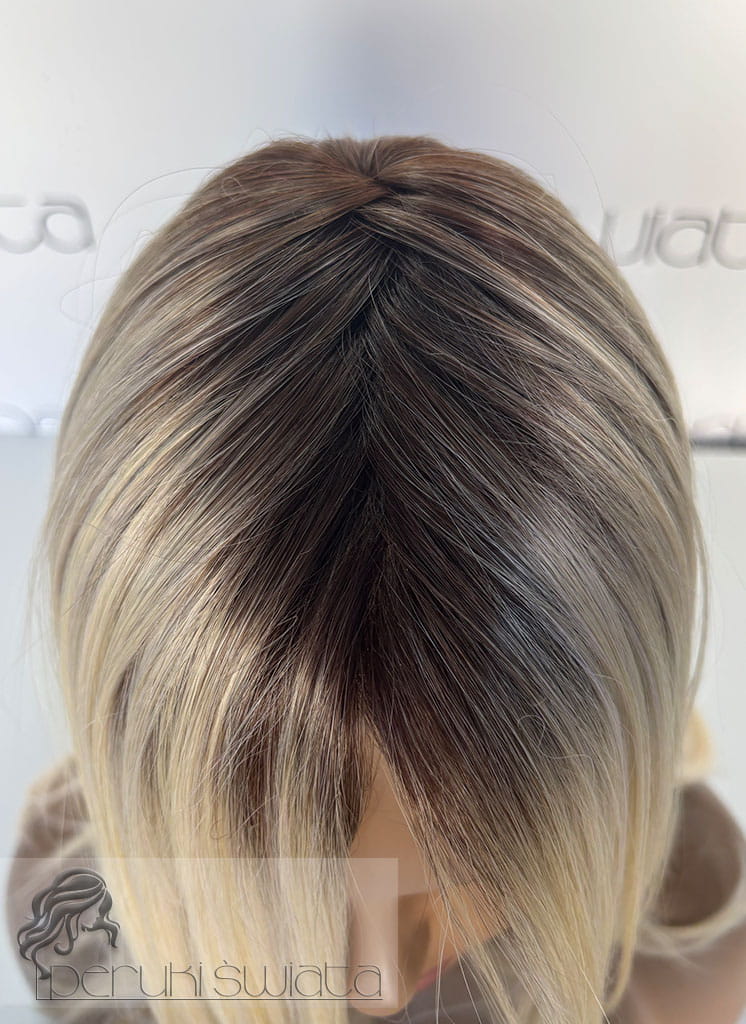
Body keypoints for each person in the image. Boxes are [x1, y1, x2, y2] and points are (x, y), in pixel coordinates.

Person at [6, 133, 746, 1024]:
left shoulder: (693, 945)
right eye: (281, 866)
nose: (383, 984)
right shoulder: (76, 917)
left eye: (476, 856)